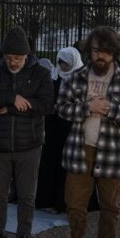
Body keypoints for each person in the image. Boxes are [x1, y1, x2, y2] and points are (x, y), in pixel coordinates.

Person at [57, 26, 120, 238]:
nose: (100, 56)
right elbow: (62, 107)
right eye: (96, 50)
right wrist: (88, 107)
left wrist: (110, 109)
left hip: (114, 154)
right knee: (75, 204)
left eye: (106, 51)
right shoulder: (77, 77)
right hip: (79, 150)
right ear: (89, 50)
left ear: (114, 52)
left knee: (110, 207)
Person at [0, 27, 54, 238]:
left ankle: (23, 235)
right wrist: (12, 97)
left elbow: (46, 105)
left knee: (26, 194)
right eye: (9, 57)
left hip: (29, 144)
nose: (13, 62)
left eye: (17, 58)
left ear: (27, 55)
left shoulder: (40, 74)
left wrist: (10, 108)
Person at [35, 47, 84, 213]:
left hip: (70, 128)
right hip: (53, 126)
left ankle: (63, 203)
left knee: (67, 166)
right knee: (50, 163)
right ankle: (47, 201)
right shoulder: (54, 78)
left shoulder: (80, 80)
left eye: (66, 63)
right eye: (61, 62)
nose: (63, 66)